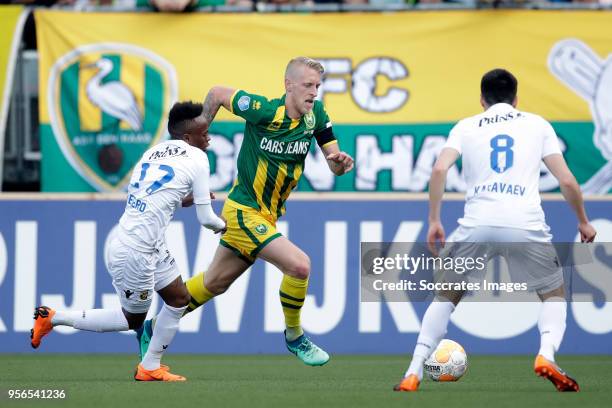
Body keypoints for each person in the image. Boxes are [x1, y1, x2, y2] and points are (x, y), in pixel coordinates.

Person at [137, 57, 354, 366]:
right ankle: (295, 337)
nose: (313, 92)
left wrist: (339, 163)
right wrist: (198, 138)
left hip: (266, 216)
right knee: (299, 266)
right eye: (307, 85)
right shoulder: (264, 110)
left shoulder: (316, 115)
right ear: (288, 85)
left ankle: (154, 328)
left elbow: (333, 160)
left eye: (317, 86)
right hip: (243, 212)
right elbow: (217, 93)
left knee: (215, 283)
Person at [394, 68, 597, 392]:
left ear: (481, 100)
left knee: (446, 295)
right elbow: (568, 181)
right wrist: (583, 220)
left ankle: (413, 370)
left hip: (477, 224)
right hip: (525, 223)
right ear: (516, 99)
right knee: (553, 295)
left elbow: (439, 168)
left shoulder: (466, 126)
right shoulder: (537, 124)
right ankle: (546, 355)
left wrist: (434, 220)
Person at [30, 101, 226, 382]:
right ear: (187, 137)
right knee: (131, 319)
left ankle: (149, 366)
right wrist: (224, 227)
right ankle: (52, 317)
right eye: (204, 132)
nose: (208, 136)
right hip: (136, 251)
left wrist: (183, 200)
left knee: (179, 298)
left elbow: (151, 194)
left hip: (145, 242)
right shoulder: (198, 159)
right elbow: (207, 218)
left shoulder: (153, 152)